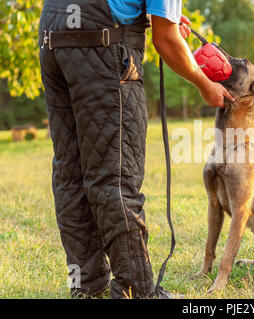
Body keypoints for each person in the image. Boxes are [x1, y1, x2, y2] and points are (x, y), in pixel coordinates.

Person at [39, 0, 233, 299]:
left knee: (70, 171)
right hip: (103, 46)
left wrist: (155, 17)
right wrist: (203, 82)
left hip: (52, 36)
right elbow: (166, 40)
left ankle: (86, 284)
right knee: (115, 175)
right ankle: (138, 290)